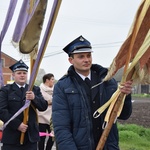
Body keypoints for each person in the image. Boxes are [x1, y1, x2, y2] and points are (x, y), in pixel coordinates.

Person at [52, 35, 133, 150]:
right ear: (71, 60)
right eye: (81, 56)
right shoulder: (62, 86)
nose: (86, 60)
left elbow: (124, 115)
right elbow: (61, 127)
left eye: (89, 55)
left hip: (108, 146)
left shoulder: (108, 81)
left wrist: (126, 95)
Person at [0, 59, 48, 150]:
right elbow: (2, 111)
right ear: (13, 75)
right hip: (12, 137)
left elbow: (43, 107)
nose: (22, 75)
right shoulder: (6, 90)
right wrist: (17, 125)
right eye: (19, 73)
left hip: (30, 138)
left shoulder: (34, 89)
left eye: (24, 73)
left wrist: (34, 98)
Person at [37, 73, 55, 150]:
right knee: (42, 137)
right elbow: (39, 101)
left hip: (52, 117)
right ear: (47, 80)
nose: (53, 81)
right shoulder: (39, 89)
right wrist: (49, 102)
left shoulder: (56, 89)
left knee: (52, 136)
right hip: (41, 116)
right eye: (52, 79)